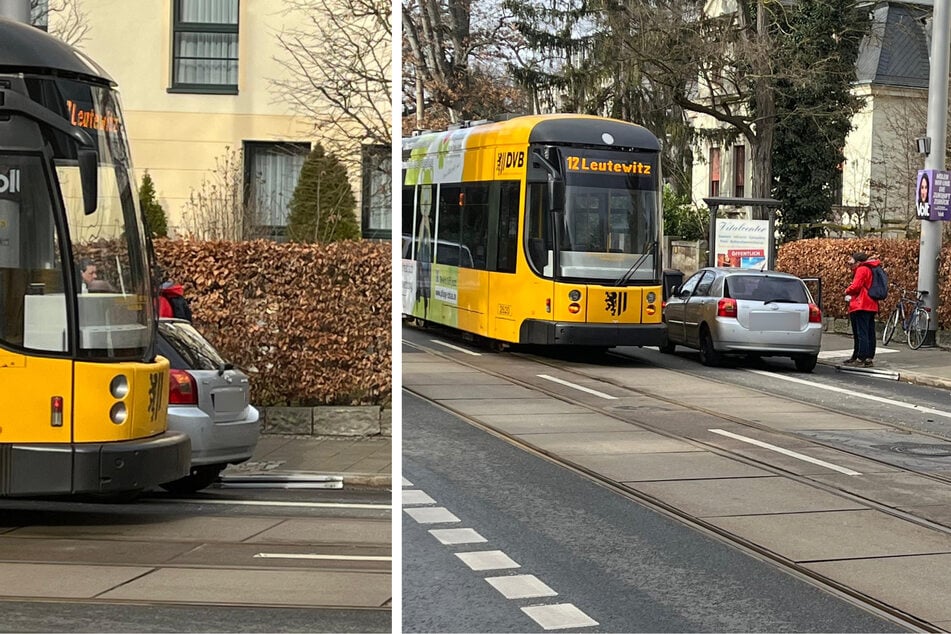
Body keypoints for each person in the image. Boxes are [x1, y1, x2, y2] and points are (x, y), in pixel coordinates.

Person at [844, 251, 881, 367]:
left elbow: (856, 286)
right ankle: (868, 357)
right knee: (869, 332)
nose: (851, 264)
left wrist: (846, 291)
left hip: (861, 304)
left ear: (858, 262)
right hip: (871, 304)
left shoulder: (862, 269)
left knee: (861, 332)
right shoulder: (871, 269)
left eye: (852, 262)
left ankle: (860, 357)